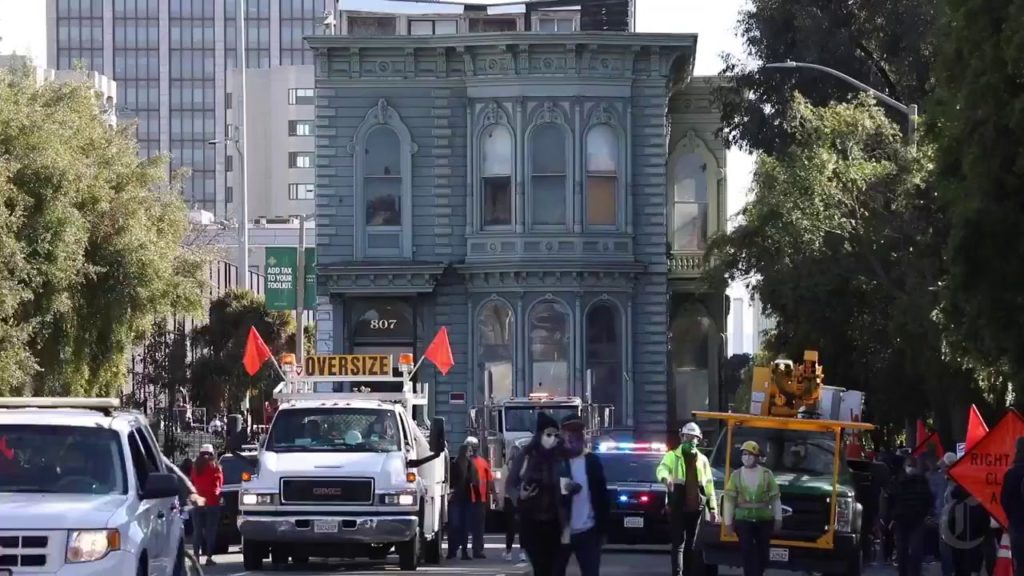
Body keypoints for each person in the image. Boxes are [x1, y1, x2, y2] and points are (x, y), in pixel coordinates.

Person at [507, 412, 570, 576]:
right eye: (548, 434)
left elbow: (570, 482)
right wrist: (519, 495)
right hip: (532, 523)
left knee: (556, 569)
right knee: (541, 568)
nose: (552, 439)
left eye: (556, 435)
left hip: (556, 523)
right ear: (540, 434)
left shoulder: (562, 457)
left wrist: (572, 488)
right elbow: (510, 484)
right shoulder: (526, 456)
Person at [656, 422, 719, 576]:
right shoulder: (672, 456)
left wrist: (713, 509)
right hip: (678, 506)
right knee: (679, 544)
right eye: (687, 436)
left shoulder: (702, 460)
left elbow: (709, 486)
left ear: (698, 439)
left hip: (696, 508)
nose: (690, 439)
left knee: (691, 545)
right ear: (682, 437)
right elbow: (662, 468)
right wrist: (665, 478)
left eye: (693, 437)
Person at [555, 414, 610, 576]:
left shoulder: (592, 461)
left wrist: (603, 530)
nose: (573, 435)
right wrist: (564, 487)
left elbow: (602, 496)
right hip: (561, 531)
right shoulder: (555, 461)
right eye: (569, 431)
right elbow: (546, 488)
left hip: (588, 531)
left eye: (578, 431)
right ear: (562, 434)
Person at [722, 441, 781, 576]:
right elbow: (729, 500)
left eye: (750, 454)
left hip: (764, 520)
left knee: (762, 552)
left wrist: (778, 519)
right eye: (744, 454)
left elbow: (775, 498)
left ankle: (760, 572)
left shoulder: (767, 474)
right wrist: (728, 522)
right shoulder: (736, 475)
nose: (747, 457)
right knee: (747, 551)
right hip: (744, 520)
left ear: (757, 457)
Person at [891, 455, 933, 576]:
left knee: (902, 549)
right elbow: (929, 499)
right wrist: (924, 512)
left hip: (902, 519)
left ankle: (903, 572)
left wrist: (893, 514)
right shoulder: (922, 481)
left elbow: (892, 498)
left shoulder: (898, 480)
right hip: (917, 519)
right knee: (916, 549)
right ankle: (915, 572)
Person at [189, 444, 224, 567]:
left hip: (198, 502)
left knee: (197, 531)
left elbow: (192, 483)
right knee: (211, 531)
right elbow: (218, 486)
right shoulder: (215, 466)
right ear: (212, 454)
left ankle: (196, 559)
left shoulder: (195, 467)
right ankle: (209, 557)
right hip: (212, 502)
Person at [464, 436, 495, 559]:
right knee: (477, 527)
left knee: (469, 526)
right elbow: (490, 481)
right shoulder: (481, 462)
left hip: (472, 500)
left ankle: (468, 551)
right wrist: (494, 496)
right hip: (475, 499)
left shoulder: (464, 461)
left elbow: (489, 480)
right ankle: (476, 550)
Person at [447, 443, 478, 560]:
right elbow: (452, 480)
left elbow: (472, 480)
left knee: (465, 526)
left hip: (466, 498)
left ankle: (464, 552)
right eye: (469, 451)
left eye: (471, 451)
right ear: (464, 451)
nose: (470, 453)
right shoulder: (455, 464)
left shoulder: (470, 465)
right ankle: (452, 550)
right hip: (456, 498)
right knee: (454, 525)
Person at [1000, 436, 1024, 576]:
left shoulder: (1011, 474)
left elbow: (1004, 500)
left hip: (1017, 527)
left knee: (1020, 565)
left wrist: (1013, 518)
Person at [502, 443, 527, 562]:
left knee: (510, 528)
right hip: (520, 498)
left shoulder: (505, 467)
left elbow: (503, 485)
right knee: (522, 527)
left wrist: (500, 499)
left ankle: (508, 552)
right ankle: (522, 552)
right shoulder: (523, 467)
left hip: (508, 499)